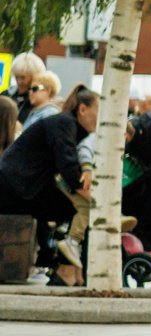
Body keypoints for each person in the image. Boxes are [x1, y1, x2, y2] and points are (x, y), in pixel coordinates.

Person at [0, 85, 96, 284]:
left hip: (22, 185)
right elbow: (68, 166)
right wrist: (97, 203)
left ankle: (67, 268)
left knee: (72, 209)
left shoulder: (70, 126)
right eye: (98, 110)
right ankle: (65, 268)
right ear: (83, 109)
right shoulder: (64, 123)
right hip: (17, 187)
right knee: (73, 209)